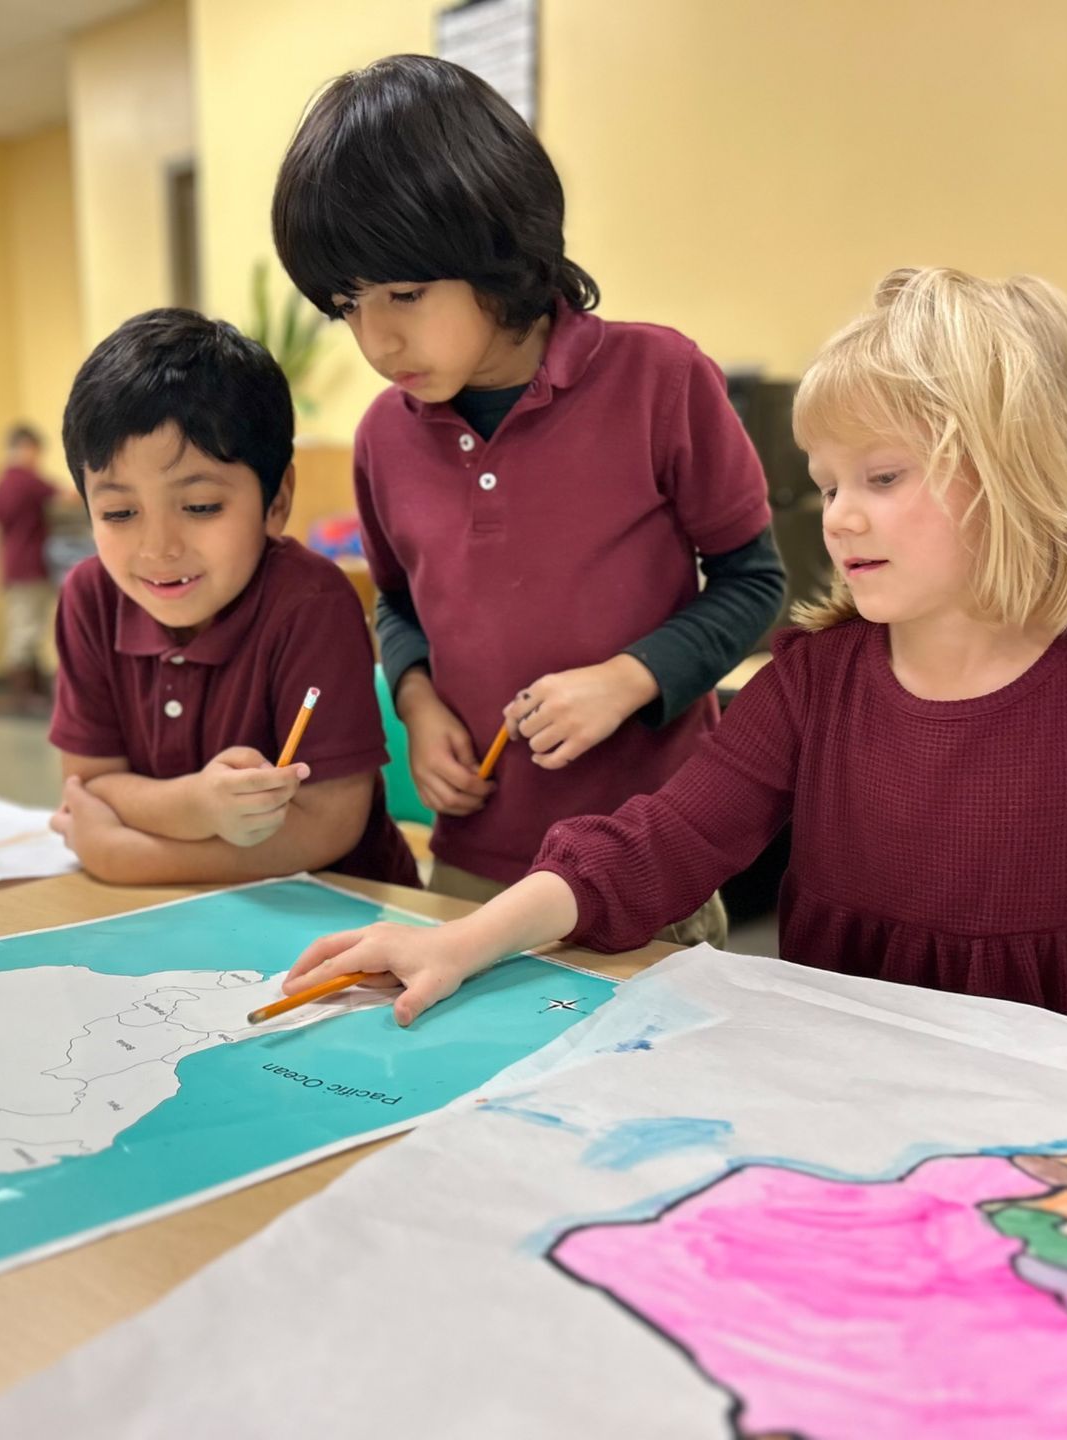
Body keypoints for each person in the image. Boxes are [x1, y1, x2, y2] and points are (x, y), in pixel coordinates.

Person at [285, 267, 1067, 1187]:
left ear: (1025, 472)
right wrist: (461, 940)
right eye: (826, 482)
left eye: (884, 477)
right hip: (865, 1139)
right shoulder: (816, 682)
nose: (840, 516)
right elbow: (658, 844)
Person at [271, 55, 785, 945]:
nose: (377, 338)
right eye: (347, 305)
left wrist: (627, 681)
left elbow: (754, 582)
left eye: (405, 294)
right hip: (474, 858)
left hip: (645, 856)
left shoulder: (660, 379)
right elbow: (397, 603)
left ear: (498, 248)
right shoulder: (383, 437)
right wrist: (418, 703)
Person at [46, 308, 419, 889]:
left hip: (336, 914)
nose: (159, 548)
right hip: (166, 922)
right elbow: (87, 784)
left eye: (200, 507)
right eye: (118, 512)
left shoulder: (311, 603)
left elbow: (329, 825)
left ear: (277, 501)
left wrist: (125, 855)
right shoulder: (89, 599)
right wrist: (196, 805)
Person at [0, 423, 62, 713]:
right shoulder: (27, 481)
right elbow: (68, 496)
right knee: (27, 629)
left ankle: (31, 690)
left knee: (24, 625)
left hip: (13, 564)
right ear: (26, 448)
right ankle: (25, 693)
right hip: (31, 564)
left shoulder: (1, 483)